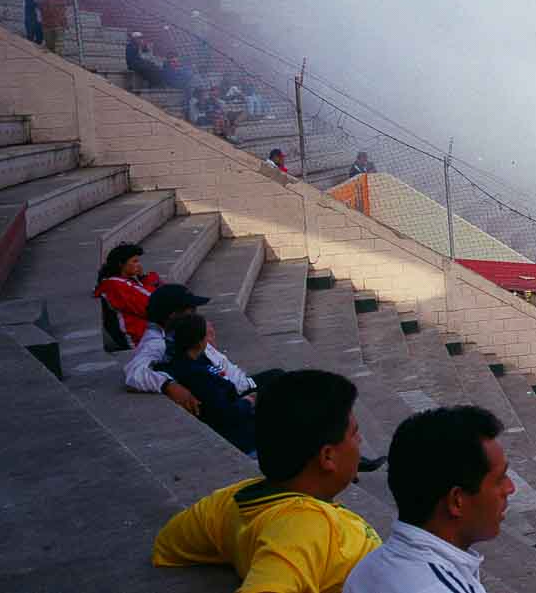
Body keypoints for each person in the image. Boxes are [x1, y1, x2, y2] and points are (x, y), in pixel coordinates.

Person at [152, 370, 383, 591]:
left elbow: (168, 543)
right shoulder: (304, 528)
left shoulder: (236, 499)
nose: (360, 440)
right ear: (327, 456)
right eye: (354, 433)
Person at [344, 406, 513, 593]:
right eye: (500, 479)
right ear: (457, 501)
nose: (510, 488)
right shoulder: (436, 587)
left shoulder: (369, 568)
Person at [155, 314, 259, 454]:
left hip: (236, 414)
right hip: (240, 436)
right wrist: (250, 400)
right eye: (206, 335)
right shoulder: (195, 374)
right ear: (199, 342)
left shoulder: (187, 361)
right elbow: (227, 414)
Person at [96, 243, 163, 350]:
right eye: (134, 261)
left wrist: (144, 278)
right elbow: (153, 305)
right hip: (138, 339)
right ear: (121, 264)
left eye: (138, 261)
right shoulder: (115, 285)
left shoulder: (128, 280)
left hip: (148, 333)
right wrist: (146, 279)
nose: (139, 265)